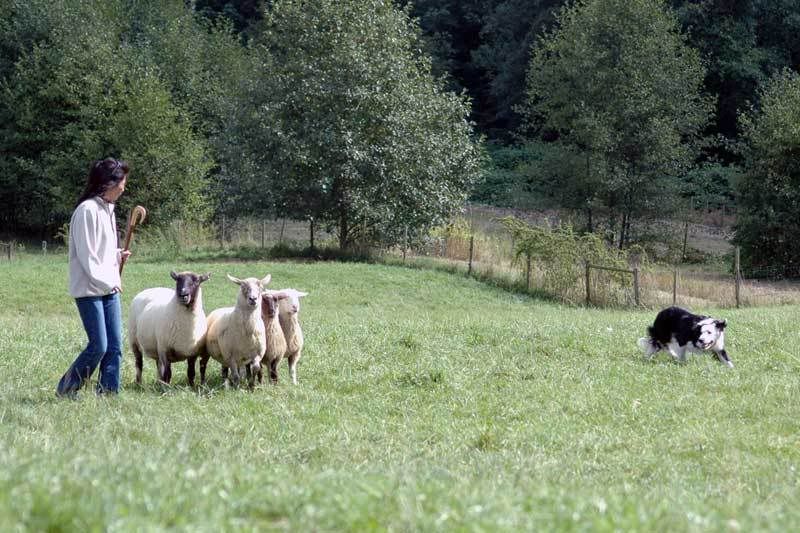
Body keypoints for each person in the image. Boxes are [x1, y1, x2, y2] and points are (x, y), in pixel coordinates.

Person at [56, 158, 131, 397]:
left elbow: (101, 250)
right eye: (122, 182)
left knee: (115, 345)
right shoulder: (86, 210)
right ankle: (66, 388)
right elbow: (87, 257)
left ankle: (108, 394)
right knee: (99, 345)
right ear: (109, 182)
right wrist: (110, 281)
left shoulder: (109, 209)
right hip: (89, 289)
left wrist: (117, 255)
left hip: (108, 288)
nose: (124, 187)